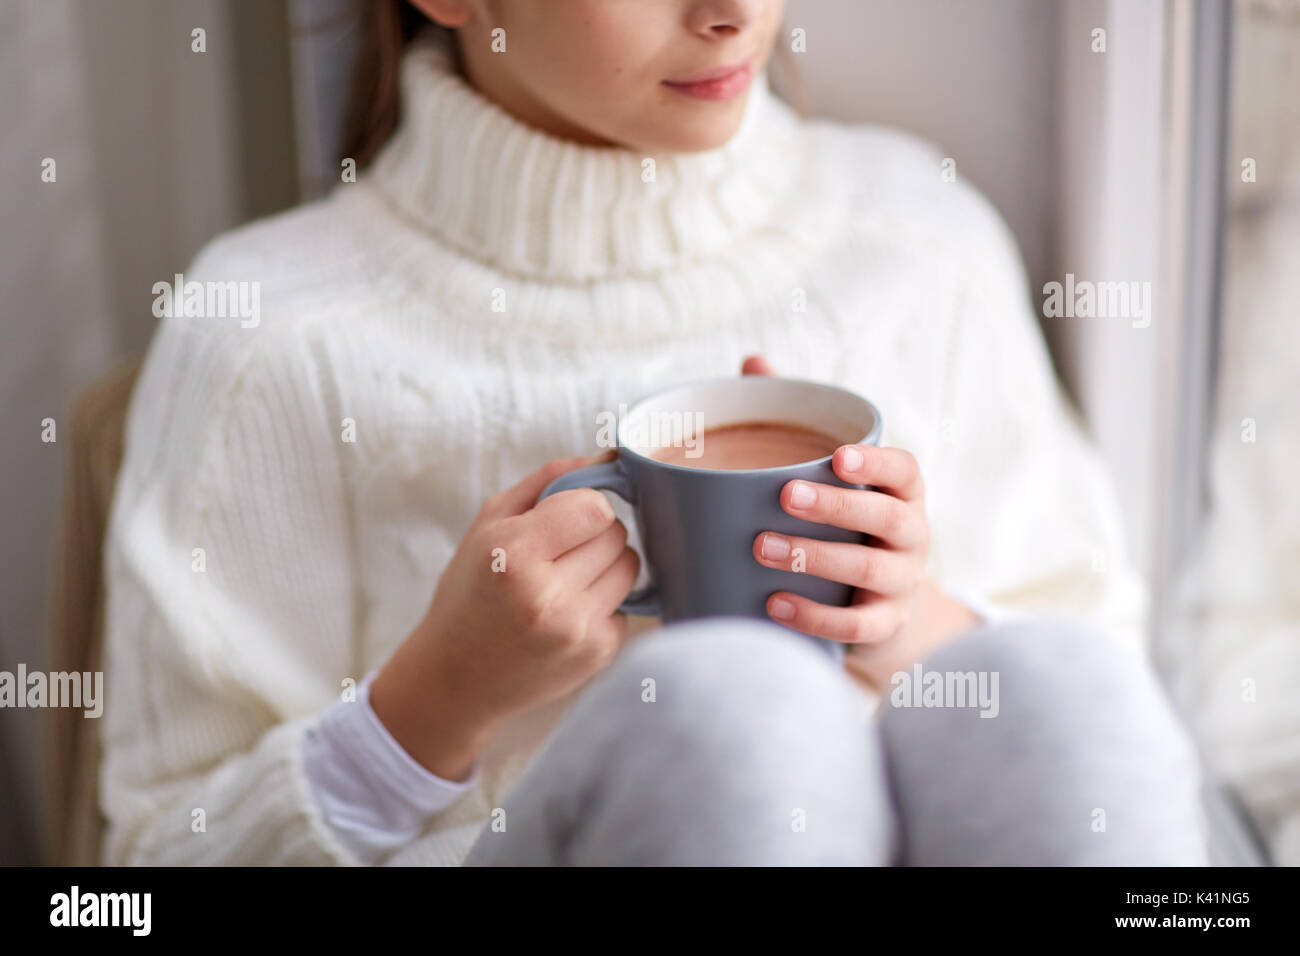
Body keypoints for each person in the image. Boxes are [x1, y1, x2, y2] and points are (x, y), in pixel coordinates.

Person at [99, 0, 1206, 865]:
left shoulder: (921, 238)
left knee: (1062, 691)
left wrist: (904, 618)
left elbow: (1099, 699)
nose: (732, 14)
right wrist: (438, 694)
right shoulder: (267, 334)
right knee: (738, 708)